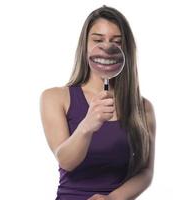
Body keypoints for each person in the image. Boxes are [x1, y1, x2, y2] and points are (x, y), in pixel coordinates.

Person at [40, 5, 156, 200]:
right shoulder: (54, 98)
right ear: (84, 45)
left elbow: (145, 172)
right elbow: (66, 161)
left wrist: (112, 199)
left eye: (116, 42)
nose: (107, 47)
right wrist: (87, 126)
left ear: (126, 50)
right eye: (98, 40)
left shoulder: (143, 108)